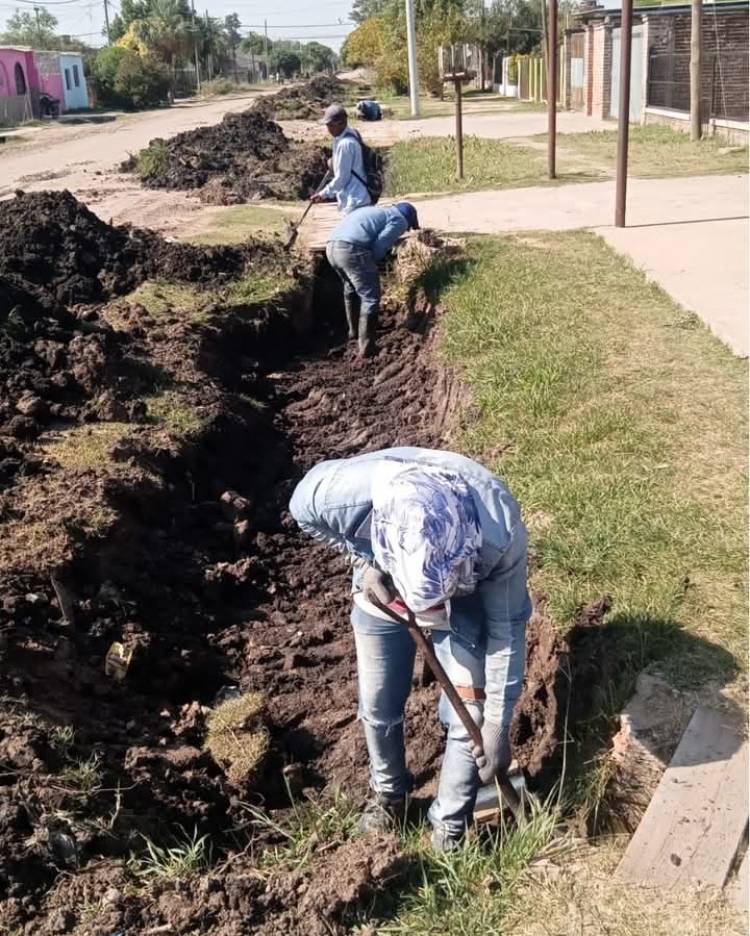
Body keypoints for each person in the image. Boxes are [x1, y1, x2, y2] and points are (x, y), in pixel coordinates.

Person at [289, 447, 531, 852]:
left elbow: (507, 631)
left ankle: (448, 833)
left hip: (464, 603)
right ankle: (389, 796)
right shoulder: (336, 495)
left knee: (467, 714)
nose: (425, 615)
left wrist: (496, 726)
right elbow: (303, 513)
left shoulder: (500, 538)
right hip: (382, 586)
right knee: (378, 701)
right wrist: (365, 562)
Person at [326, 201, 419, 357]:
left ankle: (354, 332)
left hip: (332, 248)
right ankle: (367, 347)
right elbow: (380, 245)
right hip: (352, 249)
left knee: (351, 289)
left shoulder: (376, 212)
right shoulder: (399, 219)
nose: (404, 230)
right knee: (370, 297)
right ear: (409, 219)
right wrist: (371, 265)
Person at [311, 104, 371, 215]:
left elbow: (342, 178)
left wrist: (323, 194)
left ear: (341, 123)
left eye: (331, 125)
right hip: (357, 198)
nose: (328, 129)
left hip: (354, 201)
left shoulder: (345, 144)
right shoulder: (350, 134)